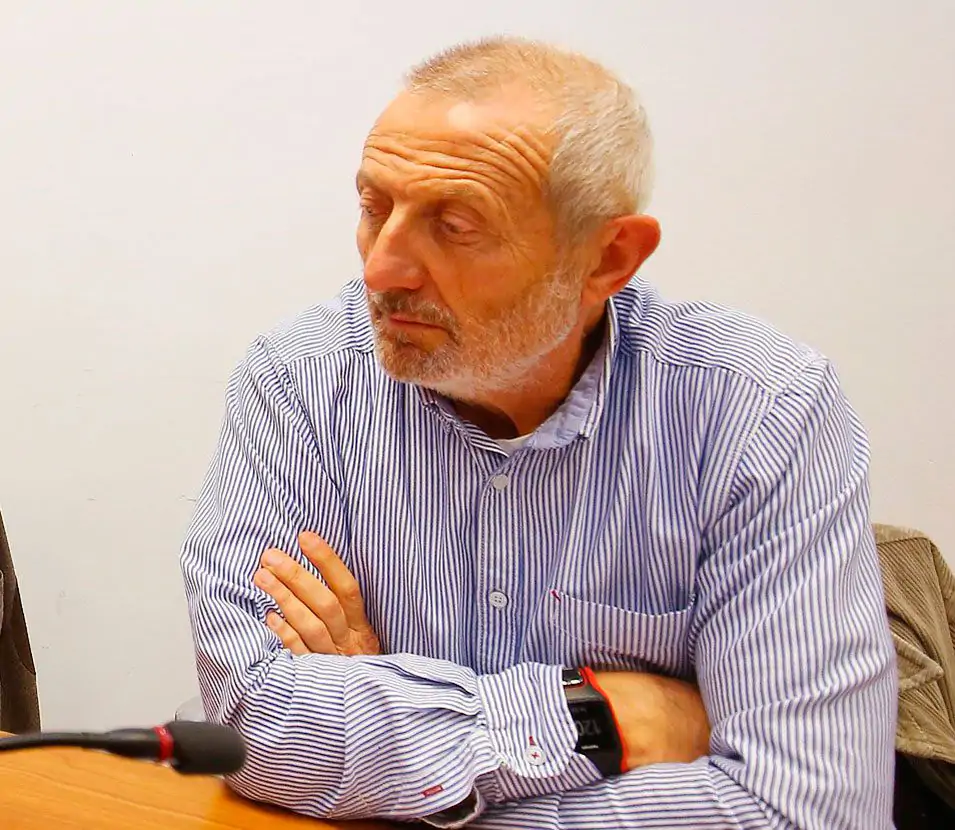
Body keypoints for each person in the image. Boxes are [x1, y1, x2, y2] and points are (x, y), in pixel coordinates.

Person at [180, 36, 897, 828]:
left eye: (455, 226)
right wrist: (590, 716)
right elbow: (249, 723)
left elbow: (805, 811)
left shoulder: (759, 411)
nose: (381, 270)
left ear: (607, 259)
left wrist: (390, 753)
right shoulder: (300, 382)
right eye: (373, 207)